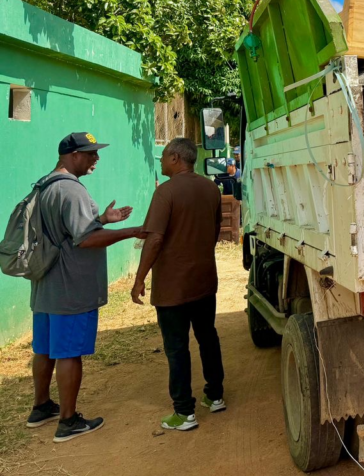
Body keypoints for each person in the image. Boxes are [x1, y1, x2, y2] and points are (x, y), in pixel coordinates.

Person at [28, 132, 145, 442]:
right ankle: (67, 421)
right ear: (72, 155)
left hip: (45, 286)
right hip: (71, 287)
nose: (96, 158)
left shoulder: (44, 185)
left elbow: (68, 231)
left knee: (44, 348)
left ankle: (41, 406)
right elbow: (85, 239)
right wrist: (130, 231)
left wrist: (101, 220)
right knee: (68, 354)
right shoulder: (72, 191)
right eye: (90, 153)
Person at [131, 137, 225, 432]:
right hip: (204, 280)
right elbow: (214, 229)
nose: (160, 161)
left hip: (173, 287)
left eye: (162, 157)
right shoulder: (211, 188)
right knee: (207, 336)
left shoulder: (166, 193)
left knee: (177, 348)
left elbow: (155, 238)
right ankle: (215, 396)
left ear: (174, 158)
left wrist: (139, 278)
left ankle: (184, 412)